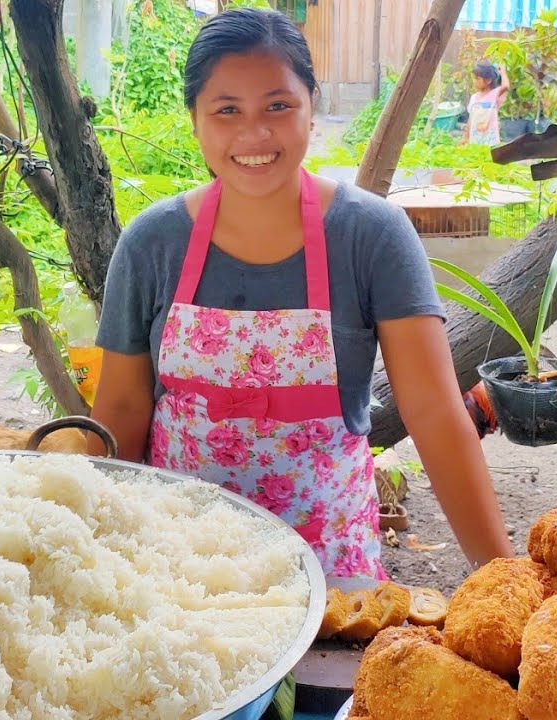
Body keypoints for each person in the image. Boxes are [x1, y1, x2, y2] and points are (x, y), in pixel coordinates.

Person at [88, 7, 512, 578]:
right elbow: (119, 410)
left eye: (278, 106)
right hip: (179, 573)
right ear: (195, 119)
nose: (254, 133)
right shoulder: (153, 242)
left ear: (312, 106)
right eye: (227, 110)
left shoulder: (372, 235)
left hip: (333, 574)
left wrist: (505, 581)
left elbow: (436, 414)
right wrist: (93, 559)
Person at [463, 60, 509, 146]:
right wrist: (466, 137)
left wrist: (503, 72)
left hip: (490, 140)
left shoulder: (494, 94)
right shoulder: (474, 98)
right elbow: (470, 119)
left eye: (478, 78)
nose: (474, 81)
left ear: (488, 80)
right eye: (474, 78)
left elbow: (506, 86)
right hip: (475, 140)